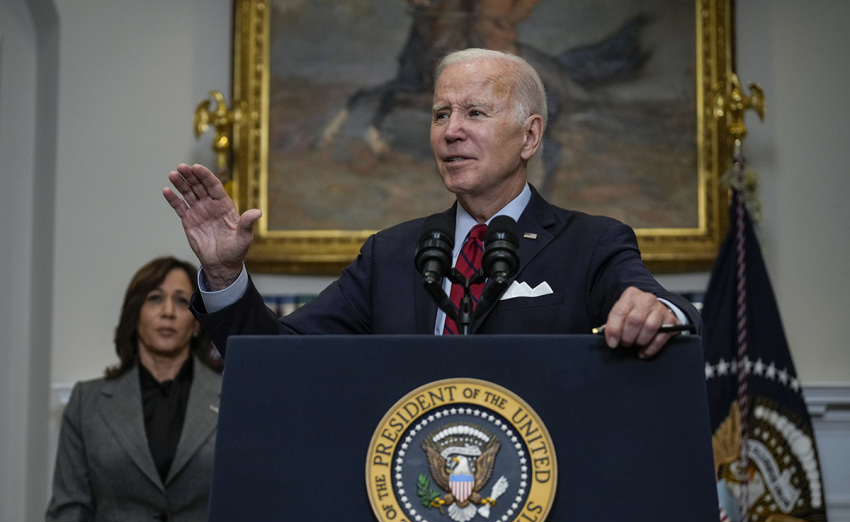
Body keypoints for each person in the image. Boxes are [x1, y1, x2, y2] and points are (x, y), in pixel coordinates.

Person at [162, 48, 702, 359]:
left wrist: (657, 312)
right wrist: (225, 271)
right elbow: (275, 358)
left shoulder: (591, 243)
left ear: (530, 137)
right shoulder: (390, 255)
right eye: (441, 114)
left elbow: (669, 310)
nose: (451, 132)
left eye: (475, 113)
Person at [46, 257, 223, 522]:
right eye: (155, 298)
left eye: (182, 301)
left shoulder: (229, 395)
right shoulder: (88, 403)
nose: (168, 311)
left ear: (196, 321)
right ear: (135, 313)